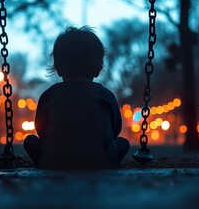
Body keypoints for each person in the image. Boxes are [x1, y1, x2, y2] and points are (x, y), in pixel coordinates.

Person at [24, 26, 130, 170]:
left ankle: (49, 159)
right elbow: (115, 128)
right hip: (101, 161)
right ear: (98, 68)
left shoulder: (49, 95)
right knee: (123, 142)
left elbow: (41, 130)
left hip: (56, 160)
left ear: (58, 67)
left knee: (30, 141)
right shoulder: (106, 95)